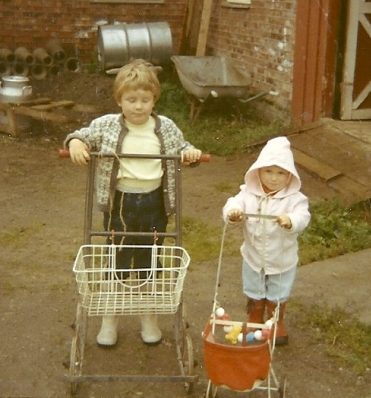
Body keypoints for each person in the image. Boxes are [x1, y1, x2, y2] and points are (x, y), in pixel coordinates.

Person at [64, 59, 202, 347]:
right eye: (131, 100)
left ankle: (148, 317)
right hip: (121, 203)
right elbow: (80, 135)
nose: (138, 107)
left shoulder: (165, 127)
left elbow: (184, 147)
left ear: (154, 100)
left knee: (149, 260)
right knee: (117, 259)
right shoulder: (107, 126)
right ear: (119, 100)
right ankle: (109, 319)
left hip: (155, 203)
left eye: (145, 100)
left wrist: (191, 153)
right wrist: (75, 144)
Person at [222, 136, 310, 345]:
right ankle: (254, 317)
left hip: (281, 259)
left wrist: (291, 220)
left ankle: (275, 321)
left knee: (278, 291)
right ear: (258, 171)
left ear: (290, 175)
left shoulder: (295, 199)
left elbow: (303, 216)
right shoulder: (248, 193)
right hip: (253, 256)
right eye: (268, 171)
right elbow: (233, 203)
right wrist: (233, 213)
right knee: (254, 287)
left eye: (281, 173)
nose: (274, 178)